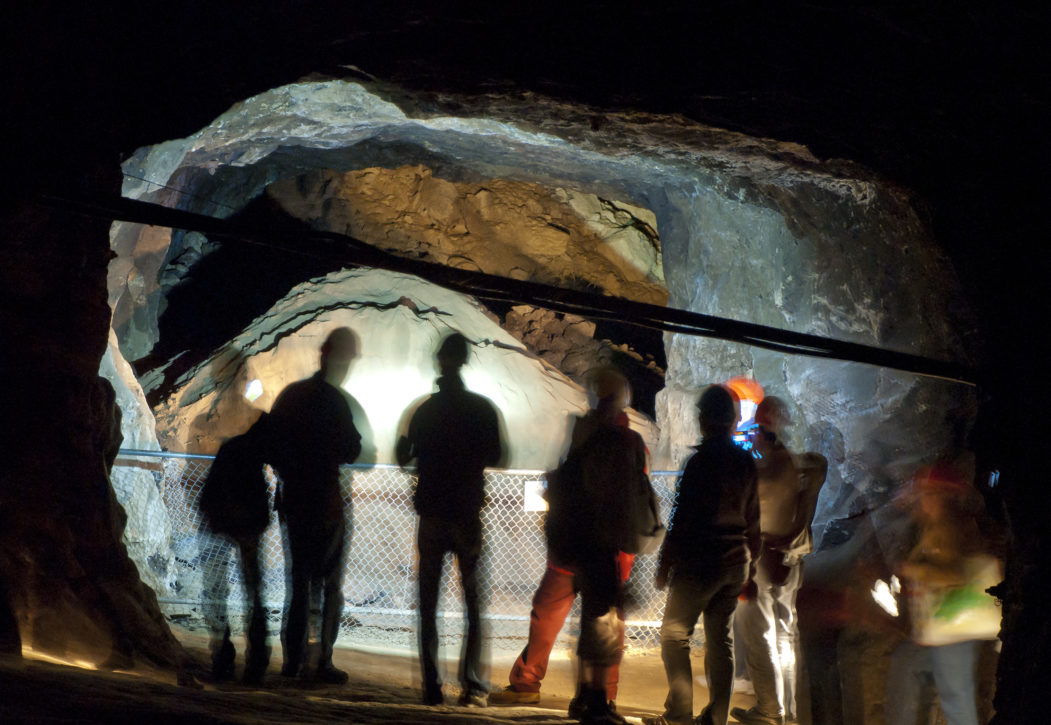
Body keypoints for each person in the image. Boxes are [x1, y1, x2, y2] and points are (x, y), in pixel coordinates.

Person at [489, 370, 640, 717]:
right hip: (606, 548)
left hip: (576, 544)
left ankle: (531, 684)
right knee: (603, 622)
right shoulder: (628, 441)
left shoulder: (590, 432)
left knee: (554, 613)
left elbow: (572, 481)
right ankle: (599, 696)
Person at [396, 332, 503, 707]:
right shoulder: (481, 408)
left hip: (432, 512)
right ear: (465, 360)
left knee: (428, 600)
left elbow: (404, 457)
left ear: (439, 361)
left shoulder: (424, 410)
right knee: (473, 601)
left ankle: (431, 686)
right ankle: (472, 684)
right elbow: (497, 454)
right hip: (466, 511)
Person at [644, 385, 760, 725]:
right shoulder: (746, 462)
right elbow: (755, 520)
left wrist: (666, 562)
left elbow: (682, 519)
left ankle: (679, 713)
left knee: (674, 635)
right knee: (719, 639)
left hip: (700, 562)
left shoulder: (699, 462)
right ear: (733, 420)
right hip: (735, 561)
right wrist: (750, 569)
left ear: (704, 419)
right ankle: (717, 718)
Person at [269, 327, 362, 684]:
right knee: (329, 583)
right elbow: (352, 450)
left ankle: (293, 661)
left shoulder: (292, 396)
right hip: (325, 501)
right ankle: (321, 659)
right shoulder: (336, 401)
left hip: (294, 501)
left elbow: (272, 444)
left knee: (299, 583)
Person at [731, 397, 827, 725]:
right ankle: (793, 714)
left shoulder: (768, 467)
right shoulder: (797, 464)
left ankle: (771, 709)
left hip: (762, 558)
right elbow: (817, 465)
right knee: (786, 635)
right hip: (789, 559)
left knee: (760, 634)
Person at [883, 463, 998, 725]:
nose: (920, 498)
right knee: (909, 667)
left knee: (956, 700)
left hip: (953, 628)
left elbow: (954, 576)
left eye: (926, 492)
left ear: (940, 495)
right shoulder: (935, 524)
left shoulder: (947, 527)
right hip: (942, 627)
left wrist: (914, 570)